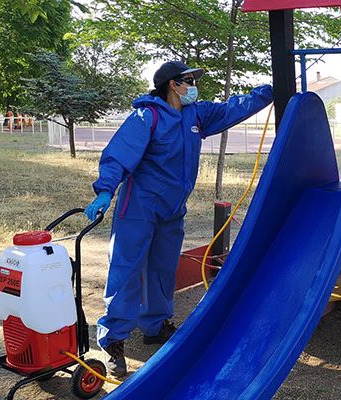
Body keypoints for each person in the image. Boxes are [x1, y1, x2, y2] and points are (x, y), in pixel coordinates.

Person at [83, 61, 273, 377]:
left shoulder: (194, 114)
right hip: (139, 209)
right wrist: (105, 190)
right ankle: (114, 339)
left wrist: (268, 92)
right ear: (174, 84)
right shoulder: (148, 116)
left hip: (172, 210)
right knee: (126, 271)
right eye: (189, 81)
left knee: (162, 269)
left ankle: (154, 326)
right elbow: (120, 153)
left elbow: (231, 109)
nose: (194, 86)